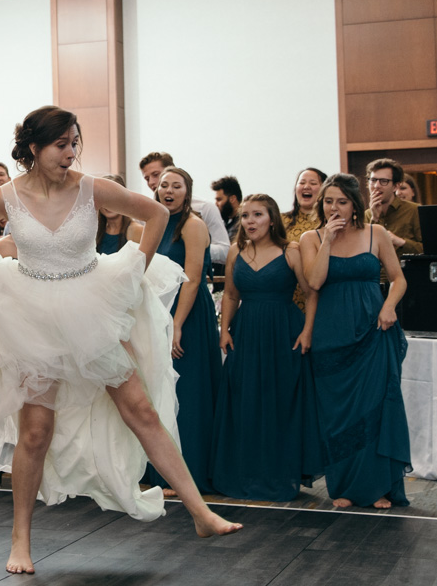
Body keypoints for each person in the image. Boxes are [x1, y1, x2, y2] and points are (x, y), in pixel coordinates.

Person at [0, 107, 241, 574]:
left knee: (142, 411)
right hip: (34, 322)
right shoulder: (5, 196)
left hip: (91, 311)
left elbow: (155, 213)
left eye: (75, 143)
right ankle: (20, 539)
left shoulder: (91, 188)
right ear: (35, 148)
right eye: (61, 145)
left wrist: (134, 270)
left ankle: (200, 513)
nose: (71, 153)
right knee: (35, 432)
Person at [299, 174, 410, 509]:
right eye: (329, 201)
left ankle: (376, 486)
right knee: (338, 414)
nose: (335, 207)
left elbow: (399, 279)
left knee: (373, 410)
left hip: (372, 331)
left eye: (342, 201)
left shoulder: (376, 233)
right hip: (330, 335)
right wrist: (328, 242)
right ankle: (343, 487)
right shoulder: (311, 238)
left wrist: (389, 306)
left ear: (354, 204)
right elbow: (314, 283)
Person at [213, 194, 319, 501]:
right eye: (245, 216)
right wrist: (224, 331)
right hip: (245, 332)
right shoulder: (237, 250)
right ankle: (245, 473)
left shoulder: (291, 250)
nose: (249, 221)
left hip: (283, 333)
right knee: (244, 400)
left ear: (272, 219)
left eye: (257, 215)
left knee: (280, 403)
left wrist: (308, 331)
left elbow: (311, 292)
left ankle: (278, 474)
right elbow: (231, 295)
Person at [127, 166, 221, 497]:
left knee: (189, 394)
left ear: (187, 191)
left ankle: (190, 472)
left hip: (188, 316)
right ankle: (160, 472)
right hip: (157, 316)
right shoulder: (153, 225)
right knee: (158, 391)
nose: (168, 190)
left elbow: (193, 279)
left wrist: (177, 325)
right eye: (163, 185)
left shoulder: (193, 226)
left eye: (176, 186)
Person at [140, 151, 230, 265]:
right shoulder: (147, 214)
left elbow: (225, 252)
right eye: (147, 178)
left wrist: (193, 248)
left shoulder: (205, 208)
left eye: (155, 174)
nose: (152, 182)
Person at [365, 159, 423, 257]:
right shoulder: (366, 215)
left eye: (384, 181)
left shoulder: (415, 210)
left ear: (396, 186)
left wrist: (401, 242)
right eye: (373, 180)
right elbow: (363, 251)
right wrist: (374, 219)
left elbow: (430, 250)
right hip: (376, 272)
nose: (376, 186)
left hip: (405, 270)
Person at [283, 168, 327, 245]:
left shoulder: (328, 222)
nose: (306, 186)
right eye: (302, 183)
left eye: (313, 183)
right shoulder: (281, 220)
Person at [96, 175, 130, 254]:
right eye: (103, 197)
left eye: (114, 197)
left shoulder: (136, 230)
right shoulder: (95, 232)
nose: (109, 203)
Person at [211, 175, 242, 239]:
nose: (216, 204)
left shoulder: (243, 225)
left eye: (219, 200)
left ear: (232, 199)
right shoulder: (227, 222)